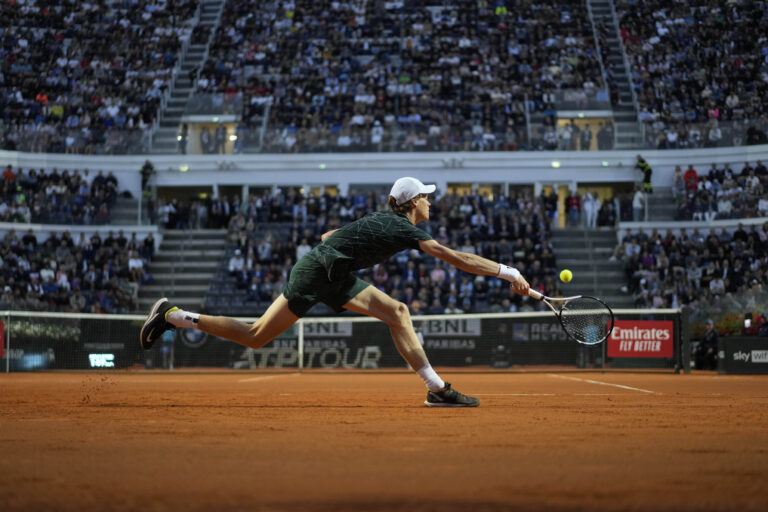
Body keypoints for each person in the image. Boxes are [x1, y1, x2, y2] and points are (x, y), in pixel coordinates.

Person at [140, 177, 531, 407]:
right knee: (255, 336)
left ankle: (436, 390)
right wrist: (509, 271)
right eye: (426, 197)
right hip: (315, 273)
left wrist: (342, 247)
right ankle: (172, 315)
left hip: (334, 271)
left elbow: (329, 235)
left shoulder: (387, 221)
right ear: (412, 203)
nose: (430, 201)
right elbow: (455, 258)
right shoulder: (401, 227)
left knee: (398, 312)